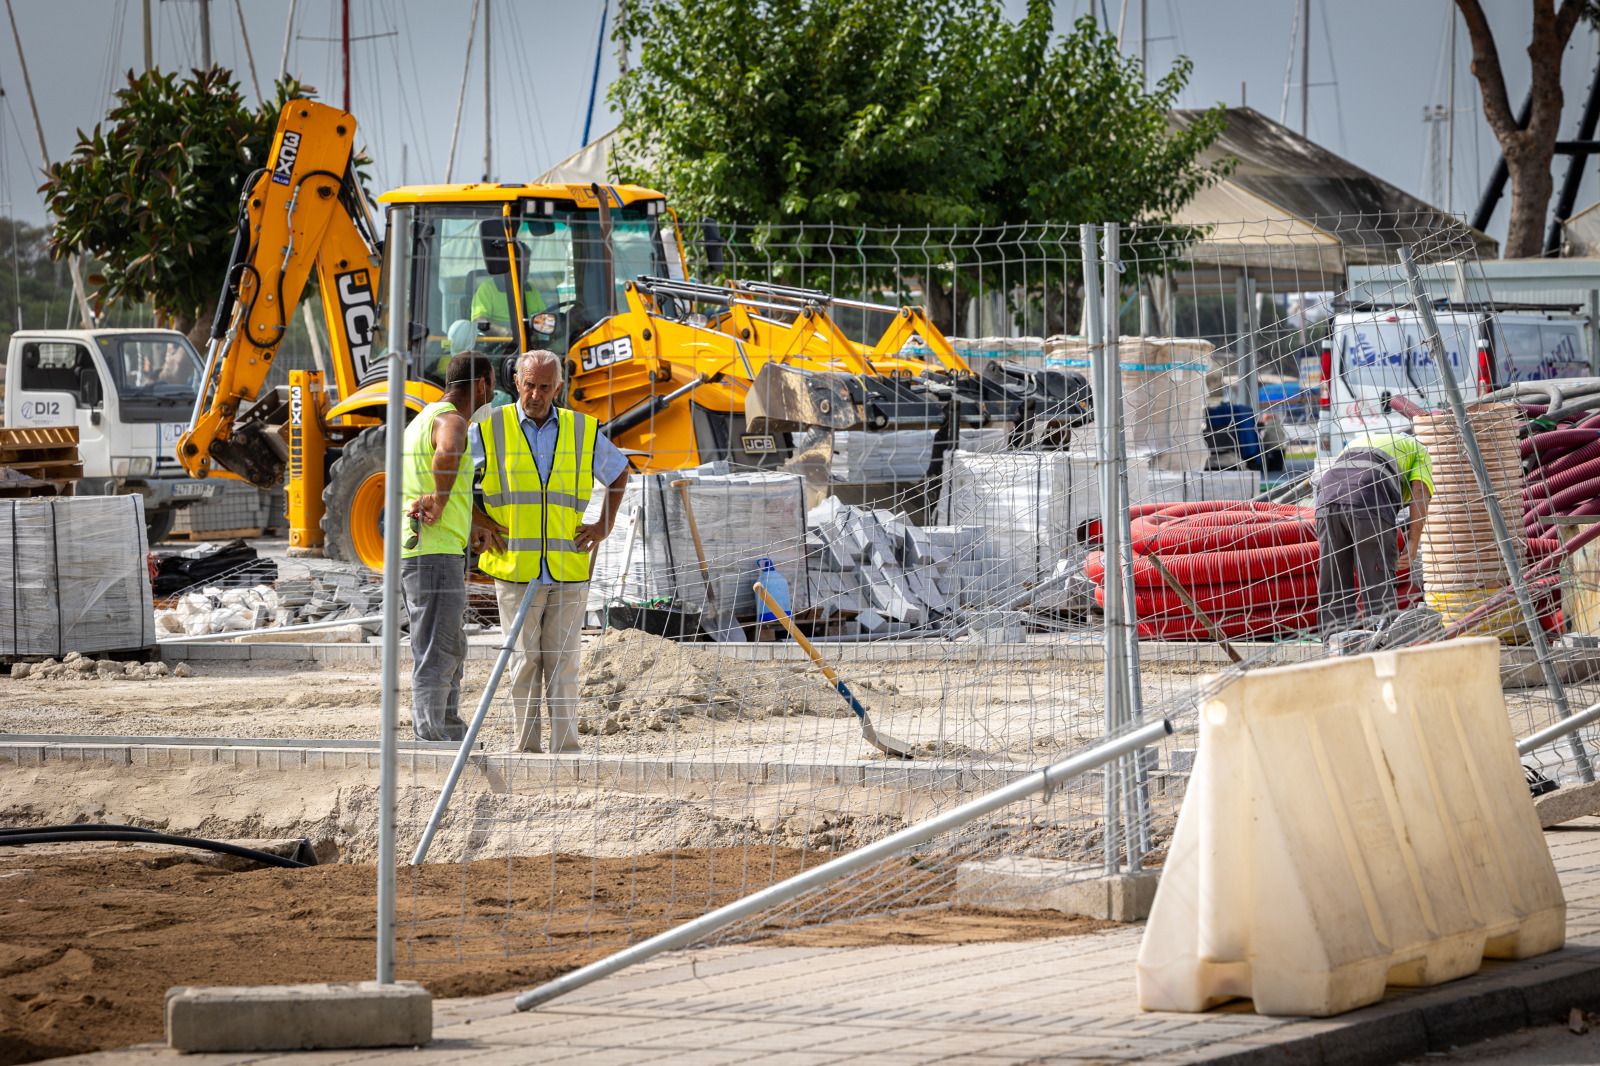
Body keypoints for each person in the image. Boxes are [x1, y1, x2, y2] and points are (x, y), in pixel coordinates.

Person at [469, 350, 630, 753]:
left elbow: (619, 471)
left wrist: (603, 525)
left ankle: (565, 750)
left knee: (563, 663)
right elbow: (455, 481)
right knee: (523, 661)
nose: (536, 395)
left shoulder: (581, 429)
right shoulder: (491, 428)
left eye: (544, 387)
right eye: (529, 385)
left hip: (566, 567)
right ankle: (526, 749)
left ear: (558, 388)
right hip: (515, 568)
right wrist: (478, 522)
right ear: (516, 384)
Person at [400, 352, 497, 742]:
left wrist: (478, 521)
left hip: (434, 551)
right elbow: (450, 449)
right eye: (491, 387)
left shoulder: (420, 420)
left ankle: (448, 725)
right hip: (433, 553)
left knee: (449, 643)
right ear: (480, 386)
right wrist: (439, 503)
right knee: (437, 647)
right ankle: (431, 732)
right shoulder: (451, 420)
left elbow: (449, 477)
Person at [1316, 430, 1434, 637]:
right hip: (1369, 499)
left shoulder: (1360, 441)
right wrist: (1413, 542)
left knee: (1333, 583)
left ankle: (1336, 647)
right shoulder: (1421, 450)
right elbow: (1419, 493)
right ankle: (1381, 646)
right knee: (1376, 578)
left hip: (1326, 500)